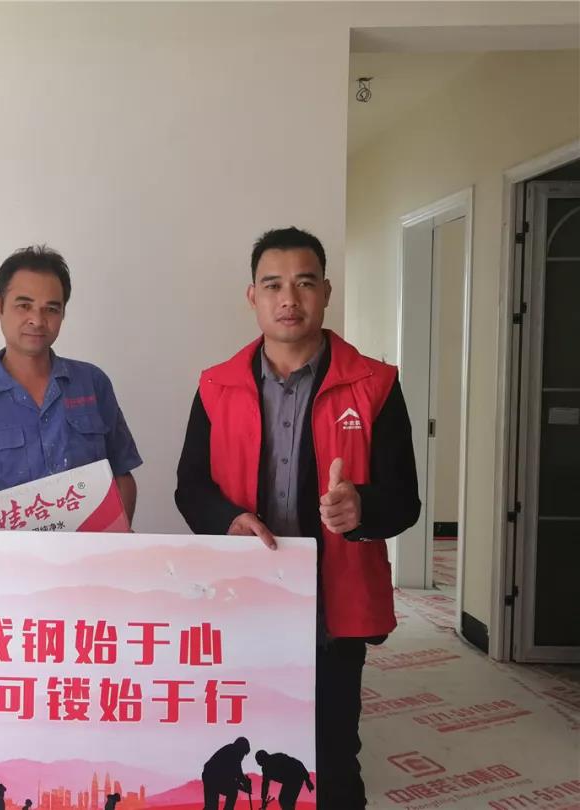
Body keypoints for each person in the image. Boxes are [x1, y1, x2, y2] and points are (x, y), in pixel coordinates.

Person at [175, 227, 420, 808]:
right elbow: (191, 487)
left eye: (305, 283)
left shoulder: (374, 385)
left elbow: (405, 500)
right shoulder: (216, 386)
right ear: (252, 297)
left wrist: (361, 508)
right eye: (273, 285)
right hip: (243, 602)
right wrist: (228, 519)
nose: (289, 299)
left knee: (333, 753)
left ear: (326, 292)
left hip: (333, 608)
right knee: (241, 740)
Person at [0, 246, 141, 527]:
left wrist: (114, 541)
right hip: (2, 555)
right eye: (24, 306)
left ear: (63, 313)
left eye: (51, 309)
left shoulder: (92, 384)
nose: (37, 320)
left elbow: (121, 474)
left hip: (89, 552)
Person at [201, 737, 252, 810]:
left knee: (212, 805)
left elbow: (235, 777)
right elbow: (237, 775)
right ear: (240, 749)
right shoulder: (233, 753)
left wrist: (244, 784)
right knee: (213, 806)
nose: (243, 756)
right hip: (212, 777)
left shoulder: (232, 751)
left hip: (211, 776)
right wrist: (245, 784)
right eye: (243, 753)